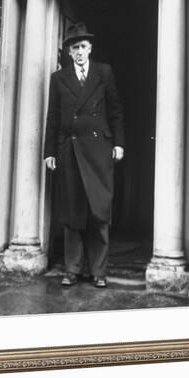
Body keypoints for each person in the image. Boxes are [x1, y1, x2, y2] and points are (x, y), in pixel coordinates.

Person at [44, 23, 125, 288]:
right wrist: (49, 152)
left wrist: (119, 143)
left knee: (99, 211)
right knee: (72, 212)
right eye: (74, 47)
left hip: (99, 149)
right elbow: (53, 117)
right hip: (70, 149)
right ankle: (72, 270)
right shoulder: (59, 78)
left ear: (90, 48)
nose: (79, 52)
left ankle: (99, 272)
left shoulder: (104, 72)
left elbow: (115, 110)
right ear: (68, 52)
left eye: (83, 47)